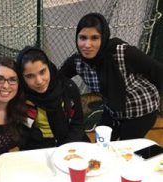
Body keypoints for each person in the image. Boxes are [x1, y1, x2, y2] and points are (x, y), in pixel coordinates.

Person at [59, 12, 163, 140]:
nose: (87, 45)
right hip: (112, 110)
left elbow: (158, 72)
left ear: (103, 38)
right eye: (83, 37)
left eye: (94, 38)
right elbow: (57, 78)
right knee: (101, 143)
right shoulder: (77, 61)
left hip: (141, 110)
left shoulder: (122, 53)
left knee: (122, 151)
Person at [16, 46, 89, 150]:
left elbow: (77, 123)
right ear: (22, 77)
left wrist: (64, 149)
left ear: (49, 68)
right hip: (39, 147)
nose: (39, 81)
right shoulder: (21, 96)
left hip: (70, 143)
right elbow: (22, 134)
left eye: (42, 72)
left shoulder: (68, 88)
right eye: (30, 76)